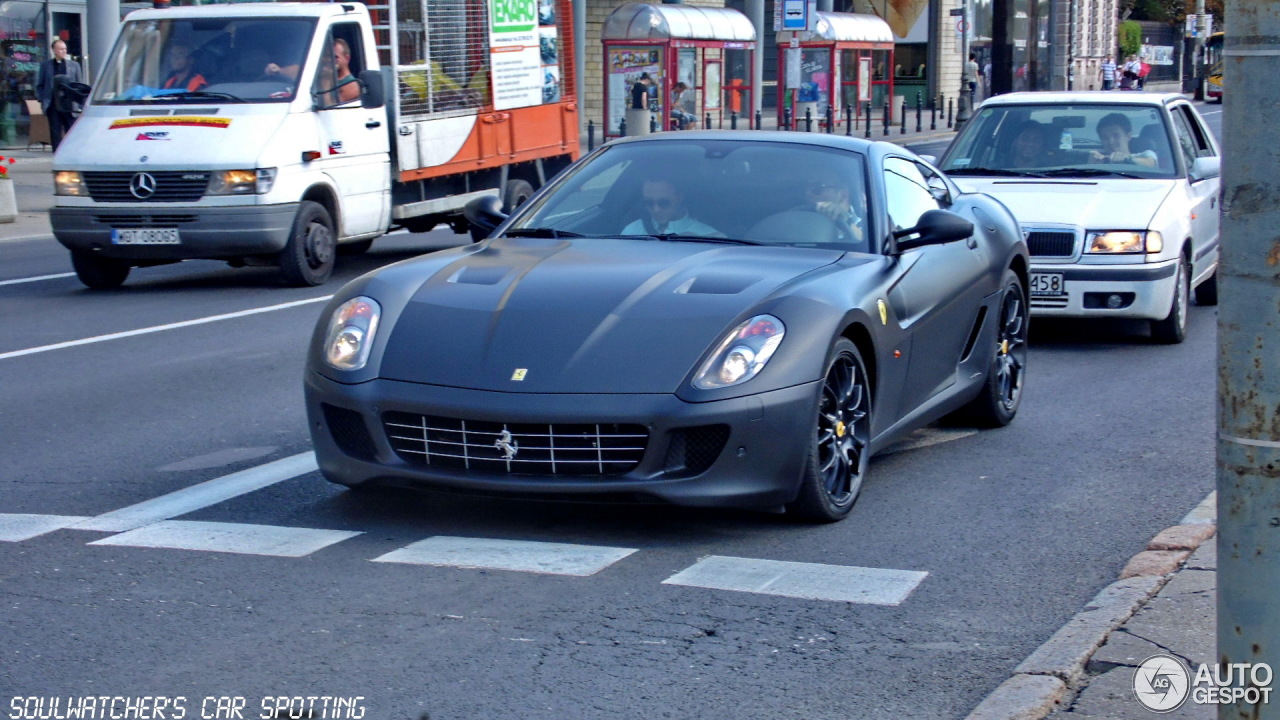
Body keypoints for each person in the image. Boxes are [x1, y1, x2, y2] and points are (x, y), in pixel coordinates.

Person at [620, 176, 720, 236]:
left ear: (680, 197)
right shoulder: (631, 231)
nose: (656, 210)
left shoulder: (709, 236)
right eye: (649, 203)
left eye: (663, 203)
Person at [36, 39, 83, 150]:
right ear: (54, 50)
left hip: (70, 104)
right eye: (61, 49)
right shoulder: (45, 66)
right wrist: (42, 99)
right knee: (55, 130)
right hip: (53, 103)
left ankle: (72, 150)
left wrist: (79, 103)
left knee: (71, 129)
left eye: (65, 49)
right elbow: (40, 85)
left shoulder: (74, 66)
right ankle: (56, 152)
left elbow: (79, 85)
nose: (64, 51)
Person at [802, 168, 865, 246]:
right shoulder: (798, 222)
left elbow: (868, 250)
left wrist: (846, 222)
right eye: (806, 188)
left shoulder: (868, 226)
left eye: (817, 187)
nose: (807, 193)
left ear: (843, 195)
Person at [1089, 112, 1157, 167]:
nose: (1111, 142)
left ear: (1128, 136)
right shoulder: (1099, 160)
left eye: (1116, 136)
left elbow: (1150, 164)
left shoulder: (1145, 154)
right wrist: (1090, 162)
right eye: (1105, 137)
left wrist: (1126, 159)